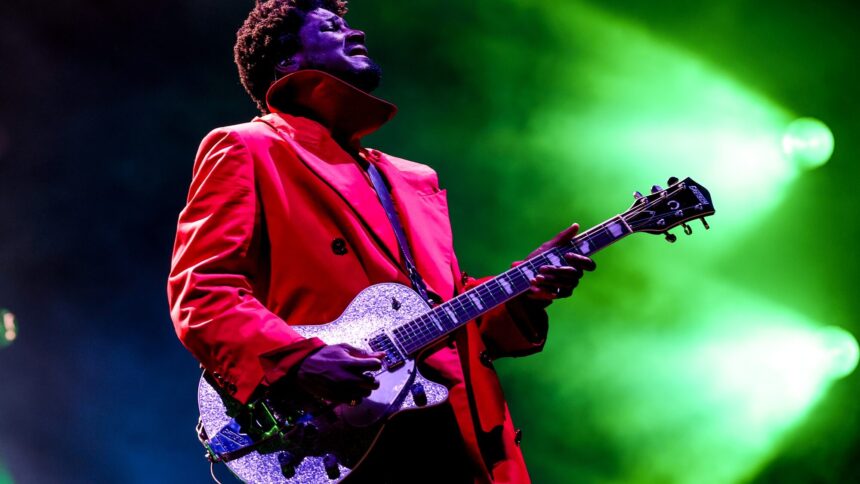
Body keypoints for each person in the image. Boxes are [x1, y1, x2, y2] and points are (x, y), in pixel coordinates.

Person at [167, 0, 595, 482]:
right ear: (285, 60)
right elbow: (202, 293)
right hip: (344, 441)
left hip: (460, 439)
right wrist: (296, 360)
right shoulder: (249, 147)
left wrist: (523, 288)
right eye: (332, 26)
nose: (357, 32)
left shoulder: (411, 179)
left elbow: (447, 317)